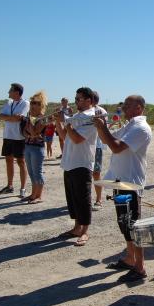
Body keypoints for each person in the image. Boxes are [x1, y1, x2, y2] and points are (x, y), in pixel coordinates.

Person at [95, 95, 152, 282]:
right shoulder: (130, 125)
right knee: (124, 223)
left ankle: (140, 267)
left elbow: (117, 147)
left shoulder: (140, 127)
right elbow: (107, 141)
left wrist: (102, 126)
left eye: (128, 105)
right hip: (120, 182)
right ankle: (130, 258)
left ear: (138, 107)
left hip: (130, 184)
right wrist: (99, 127)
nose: (123, 107)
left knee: (133, 224)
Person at [55, 87, 97, 247]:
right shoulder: (77, 116)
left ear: (89, 101)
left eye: (79, 99)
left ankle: (85, 231)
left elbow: (79, 138)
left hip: (82, 163)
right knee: (73, 198)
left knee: (83, 199)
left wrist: (66, 122)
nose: (76, 101)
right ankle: (77, 227)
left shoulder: (92, 117)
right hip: (70, 162)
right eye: (76, 98)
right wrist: (59, 123)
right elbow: (66, 137)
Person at [0, 83, 30, 197]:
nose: (8, 92)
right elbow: (0, 116)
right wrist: (11, 118)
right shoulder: (9, 102)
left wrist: (8, 118)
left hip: (19, 137)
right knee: (8, 160)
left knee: (21, 162)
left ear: (17, 92)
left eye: (10, 90)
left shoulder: (25, 103)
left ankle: (23, 188)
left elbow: (18, 118)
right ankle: (9, 186)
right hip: (7, 136)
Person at [21, 91, 48, 204]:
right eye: (31, 102)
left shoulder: (42, 118)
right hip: (28, 146)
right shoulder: (29, 116)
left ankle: (39, 196)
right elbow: (23, 132)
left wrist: (30, 123)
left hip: (37, 148)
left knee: (38, 172)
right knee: (31, 172)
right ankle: (33, 194)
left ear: (41, 105)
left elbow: (34, 132)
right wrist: (28, 124)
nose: (32, 105)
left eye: (35, 103)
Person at [92, 91, 108, 211]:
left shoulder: (101, 111)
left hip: (96, 146)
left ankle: (99, 199)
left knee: (96, 173)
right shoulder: (81, 111)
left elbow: (105, 127)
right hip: (84, 145)